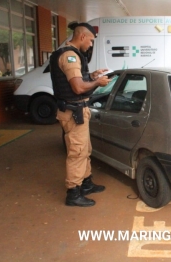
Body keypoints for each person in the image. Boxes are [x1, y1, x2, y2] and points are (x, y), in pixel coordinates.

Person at [49, 22, 112, 207]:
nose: (91, 45)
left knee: (85, 149)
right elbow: (77, 87)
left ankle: (86, 184)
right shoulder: (69, 56)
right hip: (72, 112)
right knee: (77, 152)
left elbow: (77, 80)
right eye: (91, 41)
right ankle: (73, 193)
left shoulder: (71, 54)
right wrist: (97, 83)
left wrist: (92, 76)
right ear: (82, 37)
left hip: (76, 110)